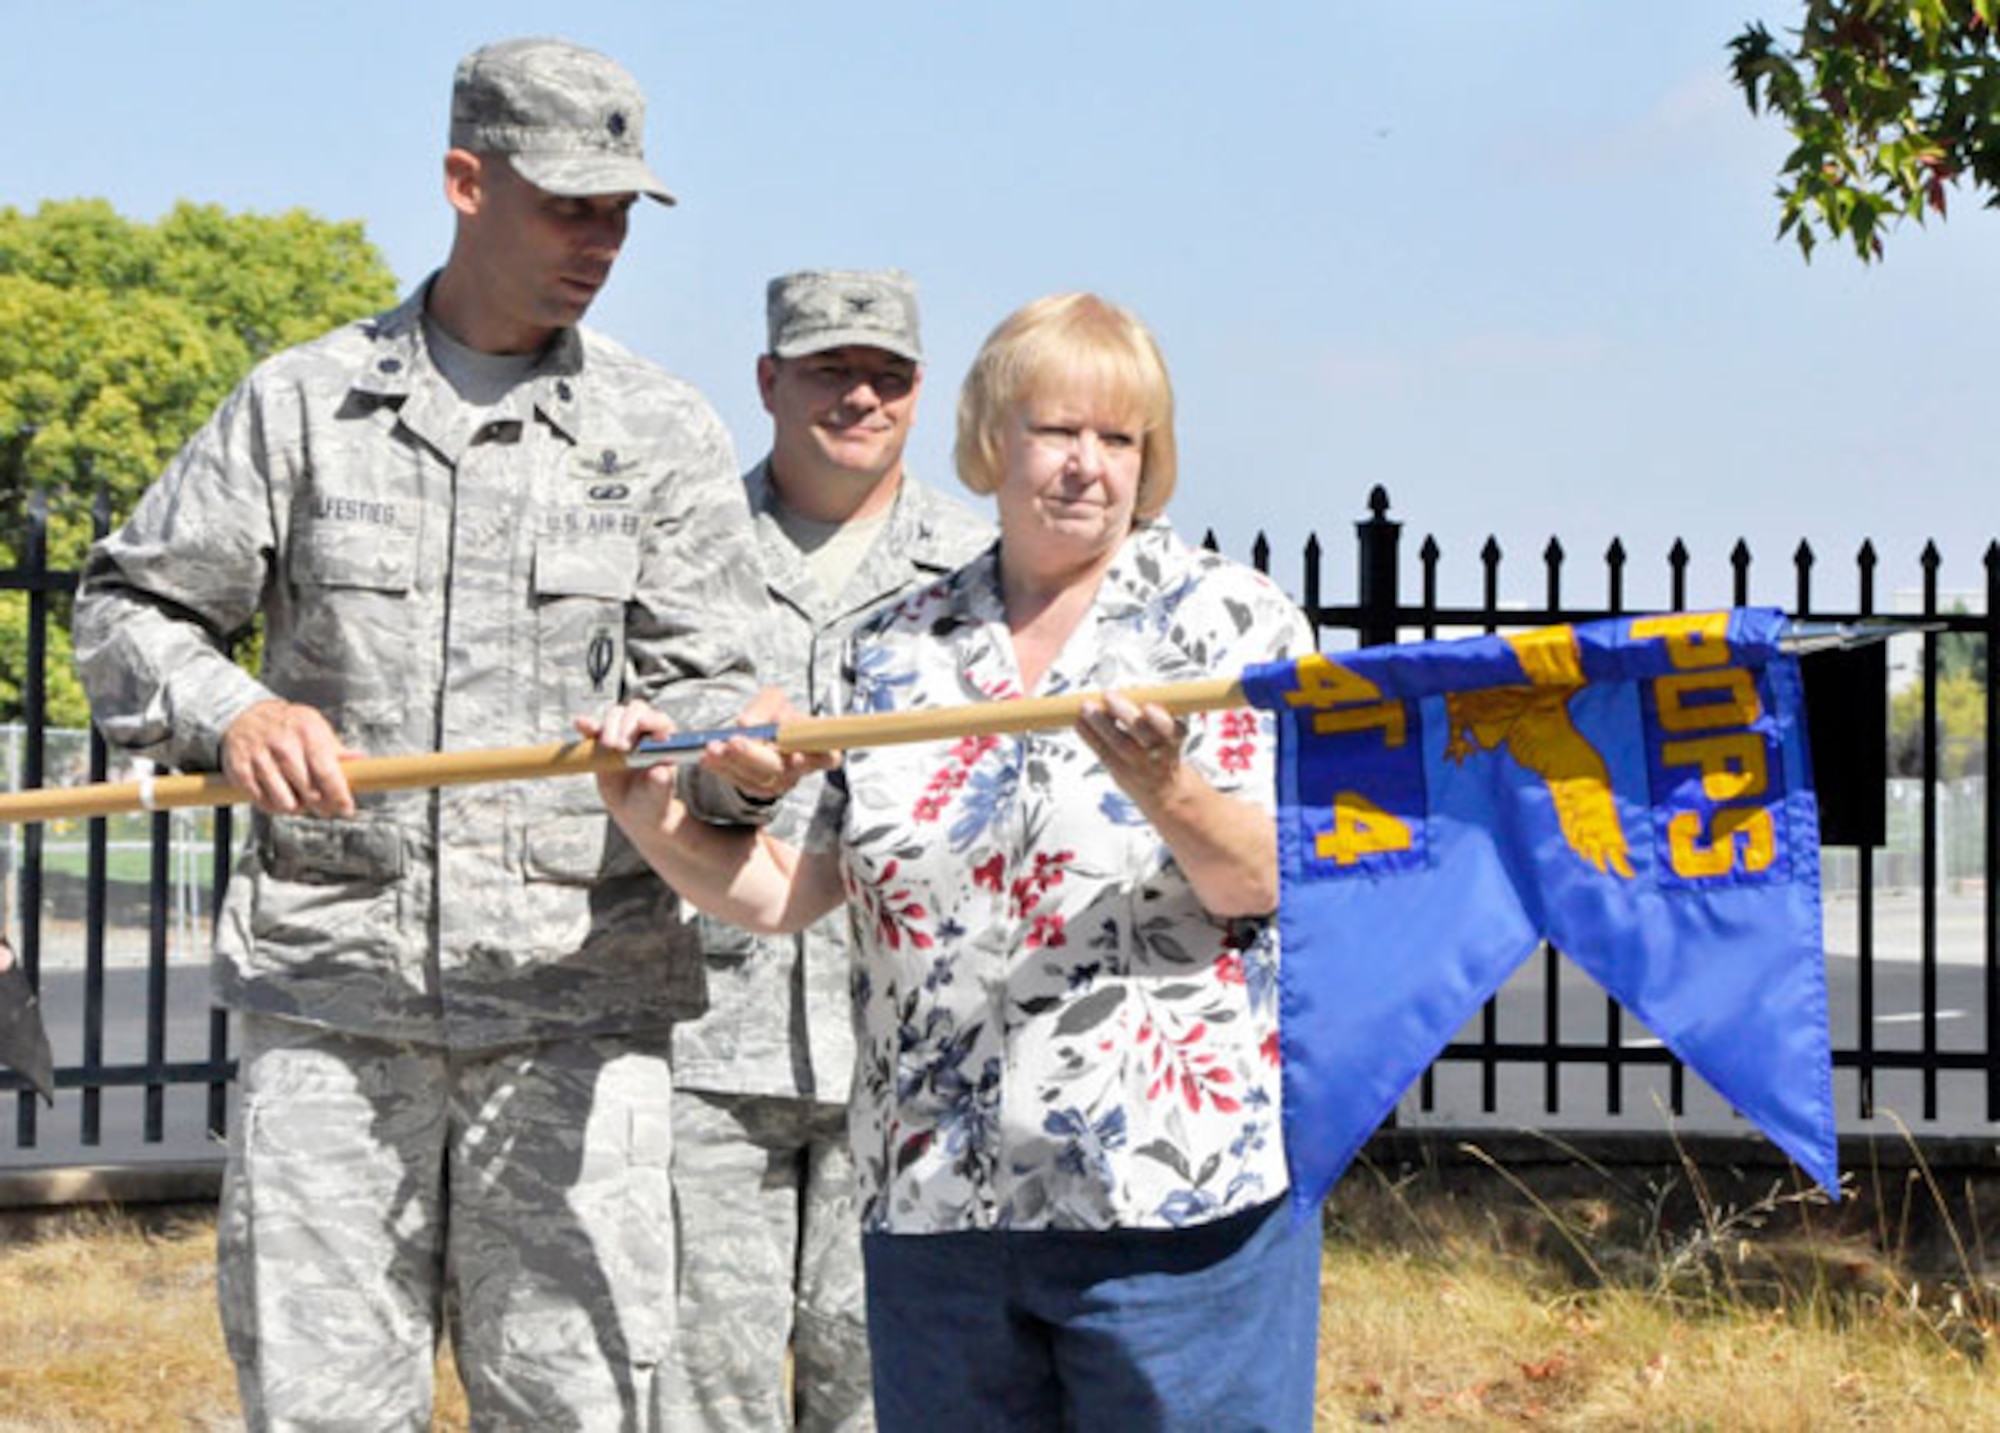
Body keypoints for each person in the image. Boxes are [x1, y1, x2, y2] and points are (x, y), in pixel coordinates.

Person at [72, 37, 770, 1431]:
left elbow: (724, 707)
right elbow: (126, 608)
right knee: (324, 1409)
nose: (603, 239)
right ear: (465, 179)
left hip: (578, 1023)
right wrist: (237, 709)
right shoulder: (303, 406)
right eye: (571, 203)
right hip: (335, 1018)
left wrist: (729, 771)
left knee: (584, 1407)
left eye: (622, 210)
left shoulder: (661, 432)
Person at [587, 293, 1324, 1432]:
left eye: (1118, 439)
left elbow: (1261, 884)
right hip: (938, 1209)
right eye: (1056, 430)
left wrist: (1166, 788)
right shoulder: (892, 651)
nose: (1086, 466)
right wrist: (644, 814)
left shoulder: (1231, 627)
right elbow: (791, 889)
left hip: (1169, 1213)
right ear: (991, 438)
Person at [663, 269, 990, 1432]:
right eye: (827, 371)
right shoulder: (682, 551)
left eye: (888, 376)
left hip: (903, 1043)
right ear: (766, 378)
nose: (861, 396)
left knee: (884, 1391)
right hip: (704, 1039)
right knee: (702, 1387)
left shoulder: (980, 569)